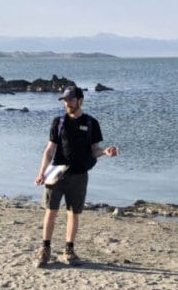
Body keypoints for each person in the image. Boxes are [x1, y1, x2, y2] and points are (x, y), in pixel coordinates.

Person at [34, 86, 119, 267]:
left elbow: (94, 150)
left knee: (74, 213)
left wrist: (105, 152)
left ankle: (69, 250)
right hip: (56, 174)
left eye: (70, 100)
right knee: (51, 212)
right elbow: (49, 150)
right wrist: (42, 172)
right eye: (65, 100)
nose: (67, 103)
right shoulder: (58, 122)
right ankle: (45, 249)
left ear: (80, 100)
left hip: (79, 175)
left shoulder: (91, 123)